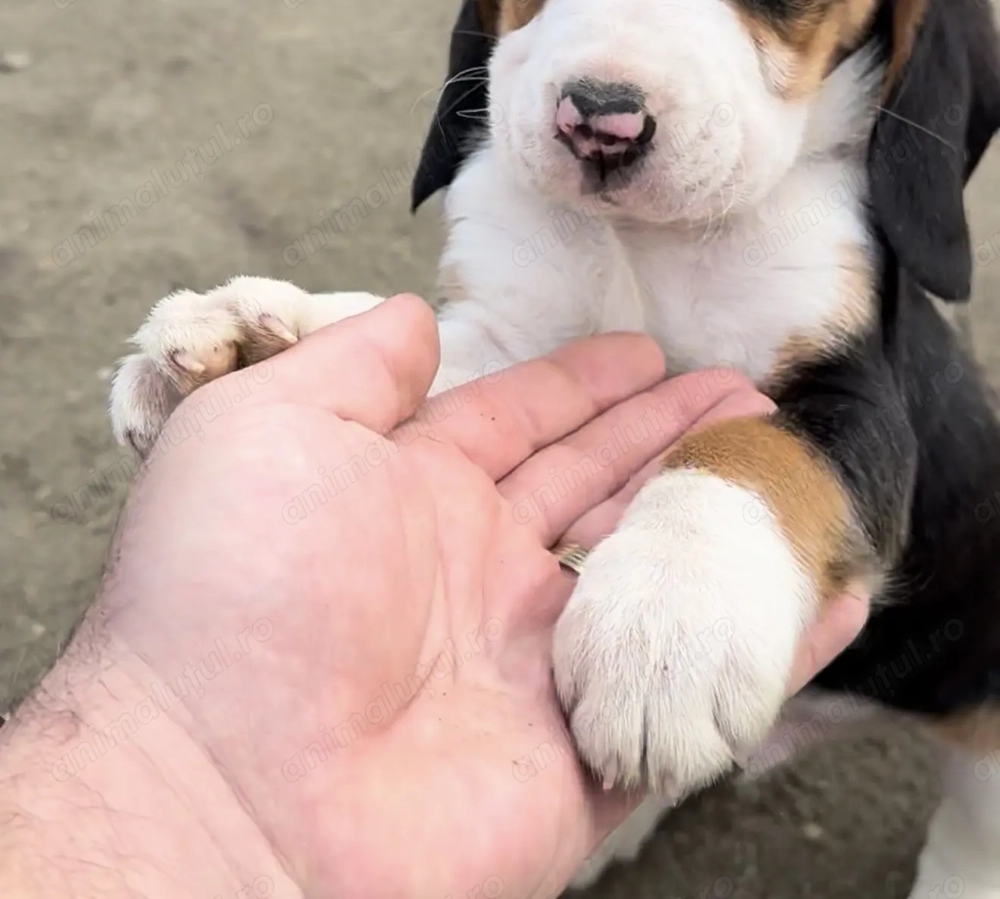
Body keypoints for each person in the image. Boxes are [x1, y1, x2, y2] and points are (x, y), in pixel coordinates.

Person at [0, 295, 868, 899]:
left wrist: (711, 528)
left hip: (896, 665)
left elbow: (860, 429)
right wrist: (324, 328)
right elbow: (500, 367)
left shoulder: (845, 270)